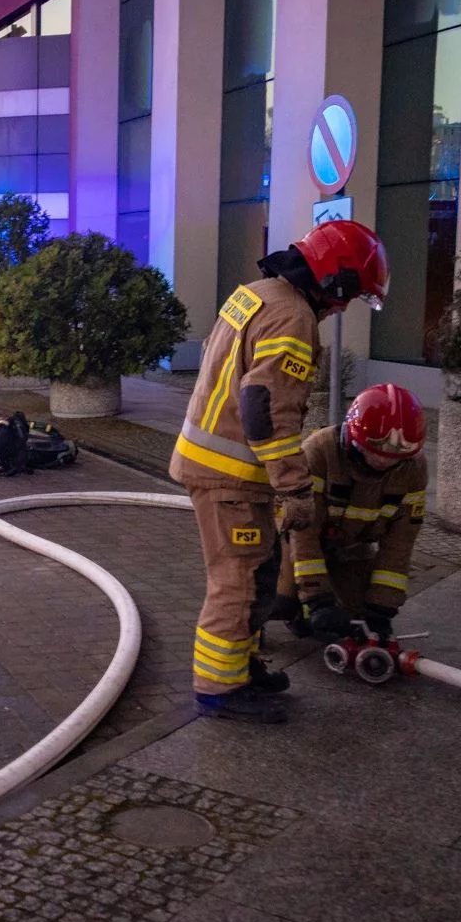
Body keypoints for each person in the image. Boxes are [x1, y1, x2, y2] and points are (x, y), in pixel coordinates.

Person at [169, 220, 389, 724]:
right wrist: (295, 488)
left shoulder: (256, 293)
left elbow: (218, 362)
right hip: (232, 477)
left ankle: (242, 668)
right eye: (349, 296)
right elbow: (265, 409)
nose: (342, 307)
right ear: (334, 280)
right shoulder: (294, 318)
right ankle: (219, 689)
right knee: (239, 580)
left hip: (218, 464)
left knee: (260, 572)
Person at [278, 383, 429, 645]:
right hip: (291, 539)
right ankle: (262, 622)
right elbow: (304, 535)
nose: (384, 461)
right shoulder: (319, 452)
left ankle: (309, 616)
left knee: (356, 619)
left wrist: (381, 609)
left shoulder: (413, 469)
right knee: (281, 599)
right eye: (375, 451)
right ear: (352, 435)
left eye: (396, 456)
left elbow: (399, 546)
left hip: (349, 546)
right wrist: (317, 600)